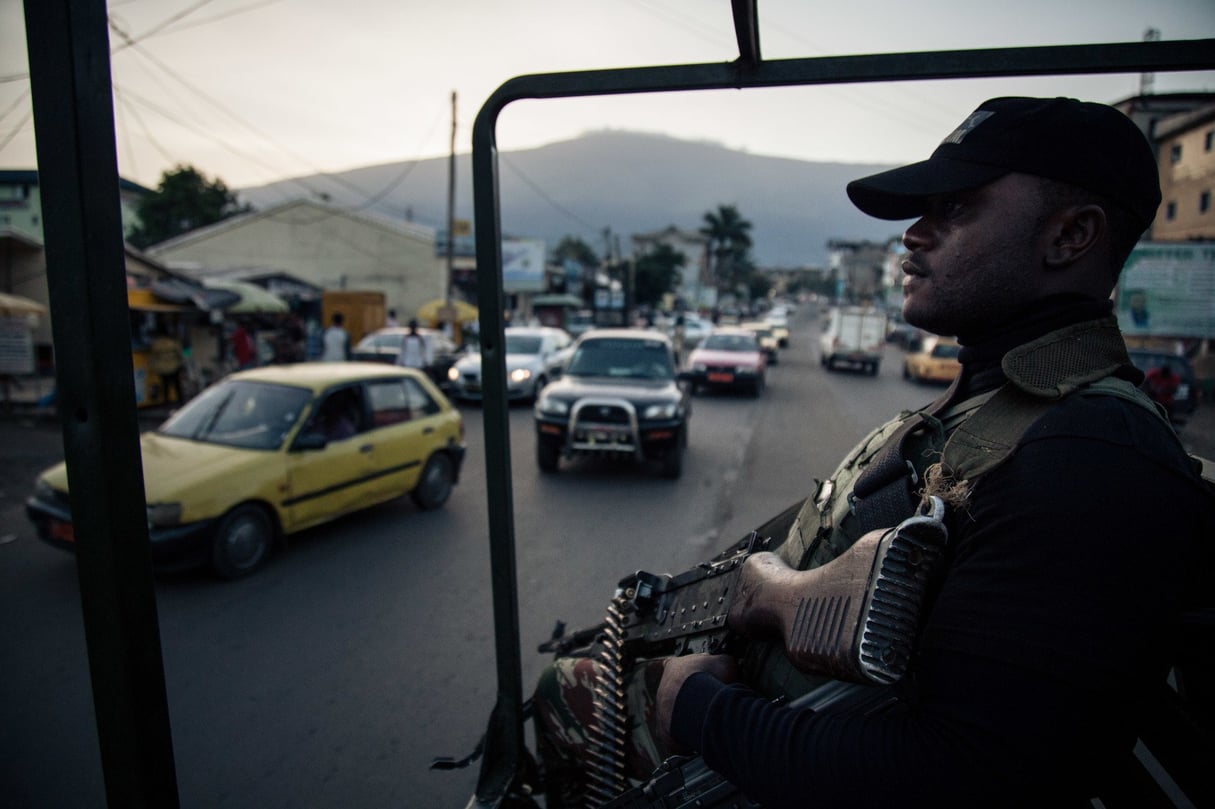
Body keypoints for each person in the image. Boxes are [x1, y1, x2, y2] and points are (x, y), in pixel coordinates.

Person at [532, 97, 1214, 807]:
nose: (913, 235)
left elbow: (961, 775)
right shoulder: (990, 409)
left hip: (765, 757)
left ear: (1069, 234)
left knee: (562, 696)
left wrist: (695, 708)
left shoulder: (1088, 456)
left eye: (952, 208)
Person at [148, 327, 184, 404]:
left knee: (165, 385)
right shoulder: (173, 341)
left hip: (162, 367)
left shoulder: (157, 343)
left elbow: (154, 353)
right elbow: (179, 351)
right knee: (177, 384)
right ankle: (180, 400)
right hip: (174, 365)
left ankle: (166, 401)